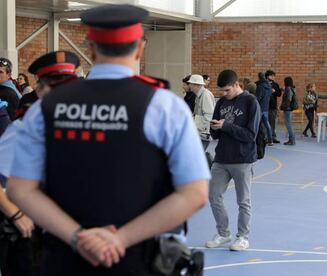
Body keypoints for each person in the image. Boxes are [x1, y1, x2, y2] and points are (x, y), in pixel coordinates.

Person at [7, 4, 209, 275]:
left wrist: (78, 237)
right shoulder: (164, 107)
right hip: (139, 260)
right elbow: (194, 194)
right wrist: (119, 239)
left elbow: (20, 189)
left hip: (64, 260)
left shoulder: (45, 108)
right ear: (139, 48)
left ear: (90, 49)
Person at [0, 50, 80, 276]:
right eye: (53, 87)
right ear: (39, 91)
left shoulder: (79, 128)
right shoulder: (25, 128)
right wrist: (17, 215)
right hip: (32, 237)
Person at [206, 69, 260, 251]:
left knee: (243, 200)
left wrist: (226, 126)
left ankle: (243, 237)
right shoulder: (221, 102)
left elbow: (250, 135)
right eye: (221, 91)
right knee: (213, 195)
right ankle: (223, 233)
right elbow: (215, 132)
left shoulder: (250, 102)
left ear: (238, 85)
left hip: (243, 159)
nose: (224, 94)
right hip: (221, 158)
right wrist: (214, 127)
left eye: (227, 90)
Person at [189, 74, 215, 150]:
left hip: (203, 133)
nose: (189, 86)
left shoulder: (205, 95)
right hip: (200, 132)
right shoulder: (199, 95)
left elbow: (209, 116)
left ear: (197, 85)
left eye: (191, 84)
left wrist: (194, 119)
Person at [256, 72, 273, 145]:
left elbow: (258, 97)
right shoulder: (269, 85)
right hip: (266, 107)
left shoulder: (260, 86)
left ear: (259, 77)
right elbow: (269, 95)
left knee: (256, 124)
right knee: (267, 124)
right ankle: (270, 140)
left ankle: (258, 139)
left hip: (259, 108)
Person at [265, 70, 281, 143]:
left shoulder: (275, 84)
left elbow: (279, 94)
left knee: (272, 122)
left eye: (274, 76)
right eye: (272, 75)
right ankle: (265, 137)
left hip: (272, 106)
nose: (273, 77)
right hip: (264, 106)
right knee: (264, 123)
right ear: (267, 76)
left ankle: (273, 137)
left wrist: (275, 92)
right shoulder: (264, 84)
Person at [280, 76, 296, 145]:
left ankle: (292, 140)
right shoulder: (290, 88)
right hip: (289, 108)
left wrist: (284, 106)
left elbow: (288, 99)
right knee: (288, 124)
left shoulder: (288, 89)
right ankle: (291, 139)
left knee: (288, 124)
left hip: (288, 108)